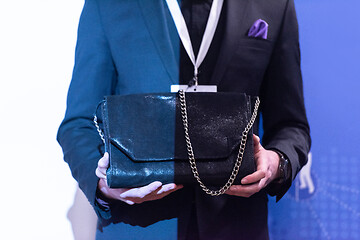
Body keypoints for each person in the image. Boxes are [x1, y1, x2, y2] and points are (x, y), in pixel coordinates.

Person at [57, 0, 311, 239]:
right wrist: (104, 184)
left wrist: (276, 162)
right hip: (139, 227)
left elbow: (291, 124)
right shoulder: (108, 5)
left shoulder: (273, 5)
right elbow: (79, 123)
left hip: (236, 224)